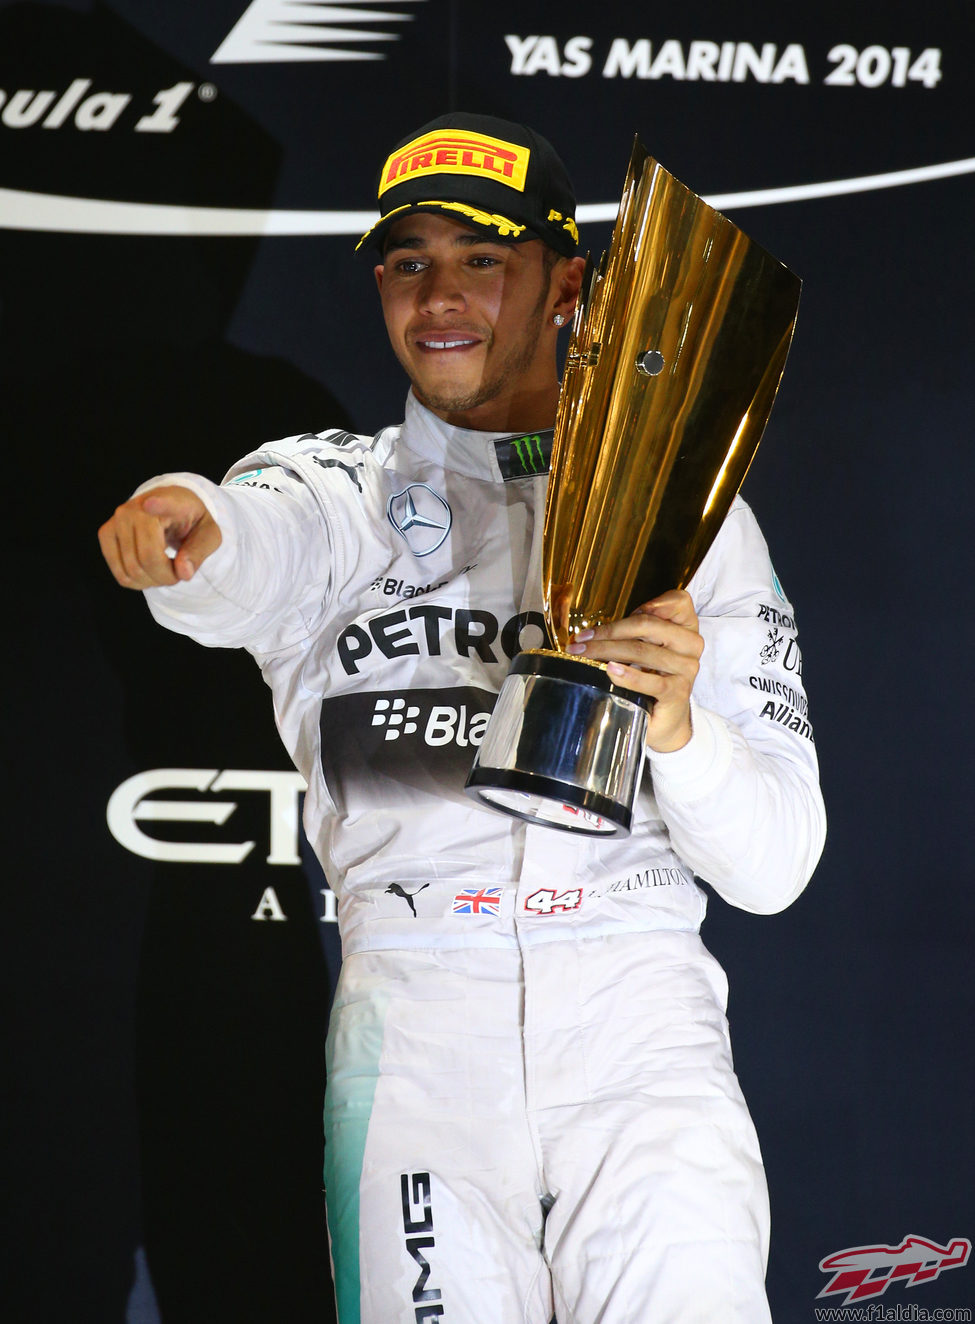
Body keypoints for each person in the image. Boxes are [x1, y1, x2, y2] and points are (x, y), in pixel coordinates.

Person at [99, 112, 826, 1323]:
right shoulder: (333, 492)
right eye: (407, 261)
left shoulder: (691, 516)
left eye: (482, 258)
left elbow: (779, 865)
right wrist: (180, 524)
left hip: (642, 1032)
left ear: (568, 282)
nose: (440, 296)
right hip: (416, 1045)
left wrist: (682, 728)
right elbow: (236, 543)